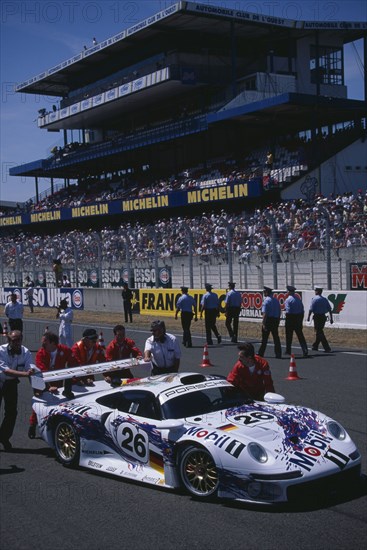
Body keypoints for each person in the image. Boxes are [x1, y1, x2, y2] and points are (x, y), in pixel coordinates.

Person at [28, 331, 77, 438]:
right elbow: (42, 372)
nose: (42, 345)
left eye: (45, 343)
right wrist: (49, 387)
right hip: (40, 381)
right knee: (40, 403)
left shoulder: (65, 350)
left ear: (53, 343)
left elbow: (74, 363)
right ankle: (33, 424)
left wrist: (74, 378)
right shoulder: (41, 353)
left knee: (58, 404)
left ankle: (54, 427)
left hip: (57, 381)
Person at [0, 331, 34, 451]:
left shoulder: (25, 352)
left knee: (11, 412)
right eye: (14, 340)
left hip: (11, 383)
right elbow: (6, 371)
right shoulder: (1, 351)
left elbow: (31, 368)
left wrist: (32, 373)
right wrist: (26, 374)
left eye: (19, 340)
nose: (17, 342)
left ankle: (4, 437)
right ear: (9, 341)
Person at [258, 286, 282, 359]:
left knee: (264, 338)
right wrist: (278, 320)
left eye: (264, 292)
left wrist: (263, 323)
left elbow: (265, 313)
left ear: (267, 292)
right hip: (275, 320)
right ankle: (278, 353)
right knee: (276, 337)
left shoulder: (266, 301)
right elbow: (279, 311)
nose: (264, 293)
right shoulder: (276, 300)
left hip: (268, 320)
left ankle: (261, 353)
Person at [307, 287, 333, 352]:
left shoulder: (314, 299)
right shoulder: (324, 299)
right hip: (323, 316)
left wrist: (308, 317)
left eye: (315, 290)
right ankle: (315, 345)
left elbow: (311, 309)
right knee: (319, 331)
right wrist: (331, 318)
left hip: (317, 317)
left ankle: (326, 347)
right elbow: (329, 309)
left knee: (319, 331)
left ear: (317, 291)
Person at [284, 285, 308, 357]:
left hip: (290, 318)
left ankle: (288, 350)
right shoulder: (298, 299)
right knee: (300, 335)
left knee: (289, 335)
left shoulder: (288, 300)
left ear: (289, 292)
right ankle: (305, 349)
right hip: (298, 318)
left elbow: (288, 311)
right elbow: (302, 310)